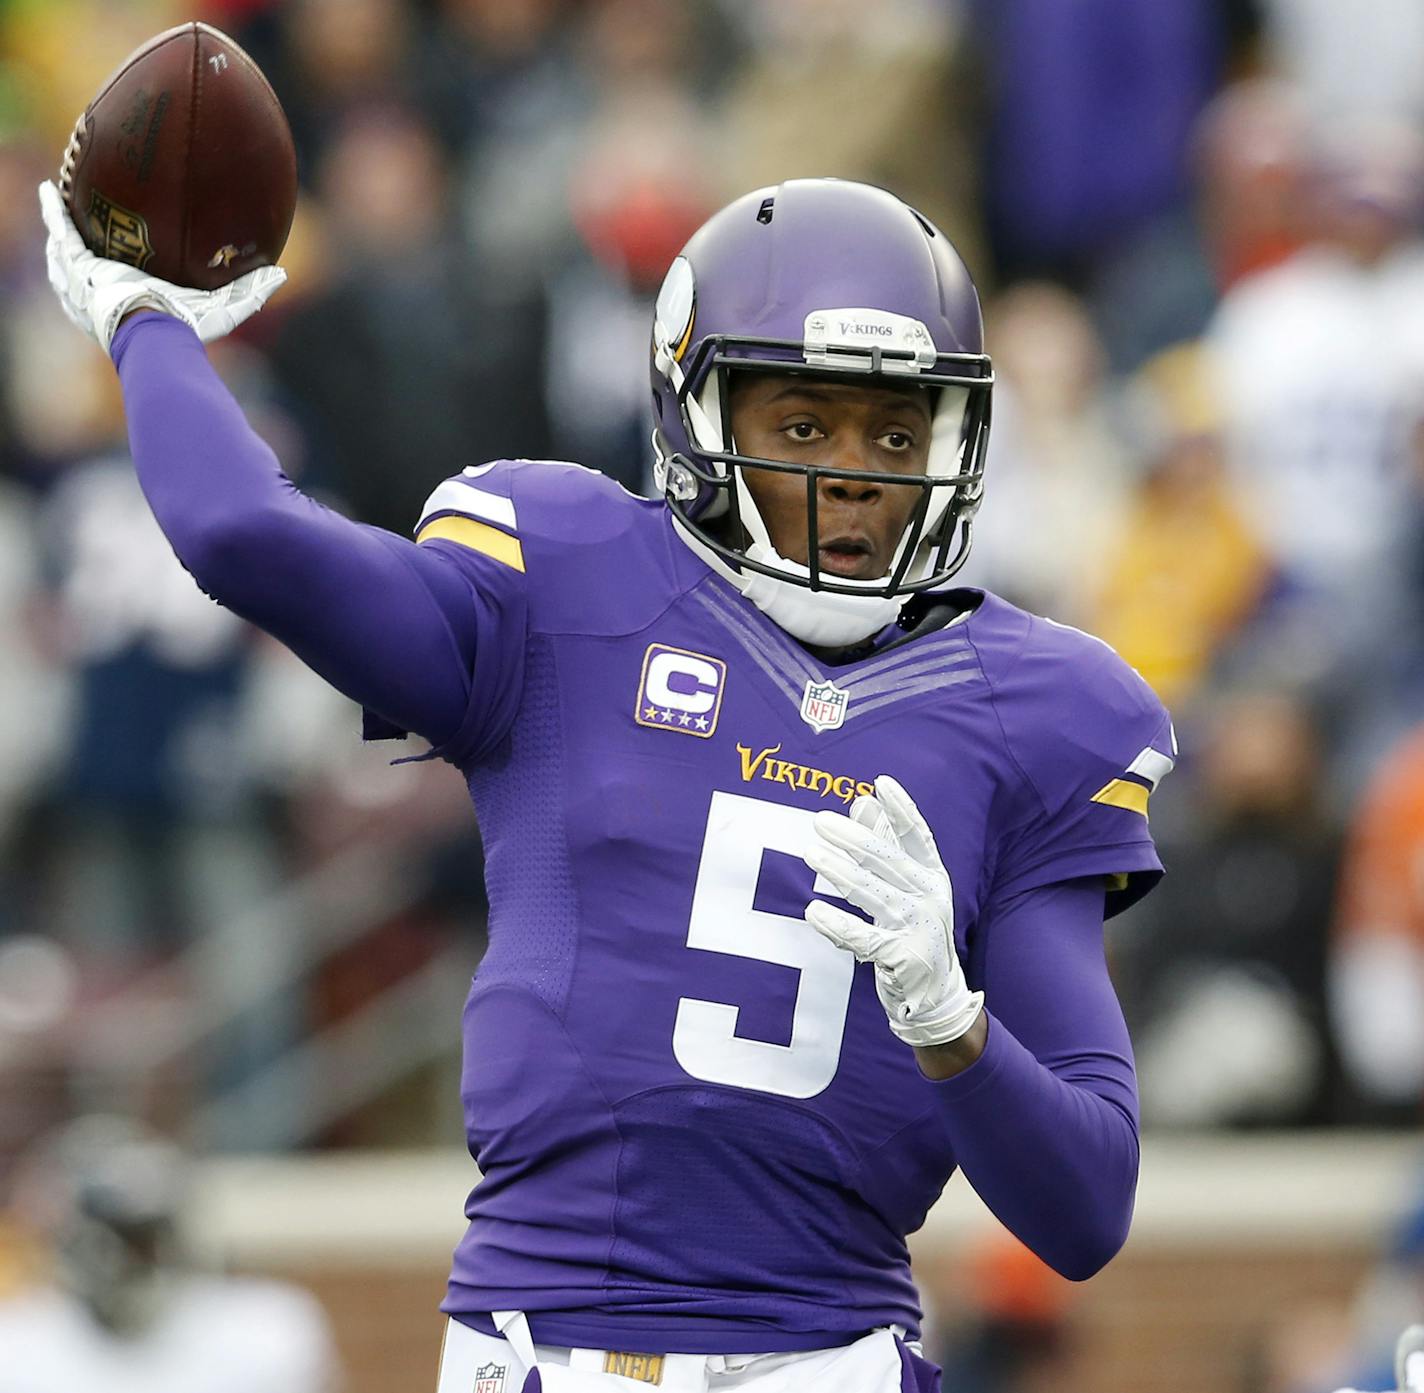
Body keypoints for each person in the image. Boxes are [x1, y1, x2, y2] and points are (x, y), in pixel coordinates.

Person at [38, 176, 1174, 1393]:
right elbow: (239, 534)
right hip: (538, 1352)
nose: (852, 472)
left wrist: (951, 1022)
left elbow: (1086, 1206)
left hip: (828, 1359)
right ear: (696, 405)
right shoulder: (562, 578)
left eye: (893, 433)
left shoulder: (1042, 706)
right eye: (803, 424)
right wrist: (144, 317)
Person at [0, 1115, 340, 1392]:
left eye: (142, 1243)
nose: (127, 1264)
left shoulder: (267, 1330)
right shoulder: (17, 1345)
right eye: (110, 1244)